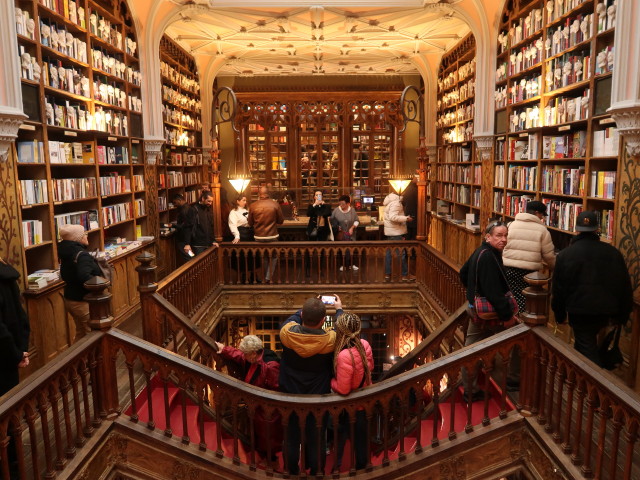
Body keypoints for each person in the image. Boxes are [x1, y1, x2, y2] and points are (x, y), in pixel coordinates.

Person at [551, 211, 633, 367]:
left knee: (586, 349)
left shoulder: (566, 255)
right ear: (597, 230)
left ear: (577, 230)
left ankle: (596, 387)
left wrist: (559, 315)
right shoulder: (613, 253)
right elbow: (624, 286)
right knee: (584, 345)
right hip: (606, 310)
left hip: (579, 309)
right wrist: (622, 315)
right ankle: (578, 380)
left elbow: (559, 289)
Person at [279, 296, 343, 475]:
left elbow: (292, 318)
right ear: (323, 320)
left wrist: (309, 307)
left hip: (290, 396)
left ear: (302, 315)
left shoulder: (286, 334)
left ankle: (291, 471)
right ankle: (317, 472)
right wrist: (339, 310)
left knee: (291, 438)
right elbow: (342, 329)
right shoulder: (331, 340)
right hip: (317, 399)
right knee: (316, 440)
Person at [459, 220, 518, 402]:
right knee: (515, 340)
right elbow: (494, 292)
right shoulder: (488, 257)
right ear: (488, 236)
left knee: (471, 349)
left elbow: (463, 272)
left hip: (474, 308)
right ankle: (512, 381)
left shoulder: (483, 251)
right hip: (488, 314)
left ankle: (468, 386)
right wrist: (507, 316)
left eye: (505, 235)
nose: (503, 240)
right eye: (499, 236)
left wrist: (472, 295)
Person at [215, 335, 282, 459]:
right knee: (259, 435)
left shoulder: (270, 366)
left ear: (254, 353)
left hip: (267, 409)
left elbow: (276, 389)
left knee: (268, 437)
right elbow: (239, 356)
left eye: (246, 353)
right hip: (256, 406)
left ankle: (271, 459)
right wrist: (224, 349)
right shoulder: (252, 358)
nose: (243, 356)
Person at [331, 312, 373, 471]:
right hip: (365, 402)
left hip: (348, 408)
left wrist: (331, 381)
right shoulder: (365, 344)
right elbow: (371, 368)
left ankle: (337, 468)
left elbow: (343, 389)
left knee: (340, 439)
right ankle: (363, 471)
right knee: (361, 443)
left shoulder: (343, 355)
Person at [502, 200, 556, 312]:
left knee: (510, 296)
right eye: (542, 214)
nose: (542, 218)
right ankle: (520, 324)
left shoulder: (511, 225)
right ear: (537, 213)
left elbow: (503, 244)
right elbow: (549, 256)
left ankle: (509, 320)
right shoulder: (543, 230)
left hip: (508, 268)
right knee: (526, 301)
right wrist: (555, 267)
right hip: (530, 273)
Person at [58, 224, 103, 341]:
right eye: (84, 234)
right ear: (78, 238)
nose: (86, 236)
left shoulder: (66, 252)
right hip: (83, 301)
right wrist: (100, 284)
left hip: (71, 298)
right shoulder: (82, 255)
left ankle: (76, 359)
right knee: (93, 336)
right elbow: (85, 277)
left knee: (81, 333)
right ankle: (95, 359)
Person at [0, 257, 30, 396]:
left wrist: (16, 354)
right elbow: (20, 315)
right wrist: (19, 351)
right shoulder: (6, 273)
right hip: (9, 352)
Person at [248, 186, 284, 283]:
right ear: (269, 193)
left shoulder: (253, 205)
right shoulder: (275, 204)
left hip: (258, 236)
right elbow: (281, 221)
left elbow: (250, 223)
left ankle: (264, 277)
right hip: (272, 236)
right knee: (274, 256)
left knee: (263, 256)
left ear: (259, 194)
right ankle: (268, 277)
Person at [383, 191, 414, 282]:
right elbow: (393, 217)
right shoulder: (396, 203)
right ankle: (405, 275)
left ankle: (387, 274)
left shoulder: (390, 201)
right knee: (401, 254)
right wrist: (406, 218)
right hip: (396, 232)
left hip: (391, 232)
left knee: (389, 254)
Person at [184, 190, 218, 257]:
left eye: (211, 201)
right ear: (203, 198)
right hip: (198, 244)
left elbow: (211, 226)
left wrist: (213, 240)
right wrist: (187, 243)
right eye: (208, 201)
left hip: (208, 243)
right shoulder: (194, 209)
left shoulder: (208, 209)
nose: (210, 203)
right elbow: (188, 227)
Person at [228, 195, 254, 283]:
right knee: (243, 256)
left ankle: (253, 276)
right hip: (242, 234)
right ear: (237, 201)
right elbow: (232, 225)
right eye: (243, 200)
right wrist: (237, 236)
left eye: (246, 200)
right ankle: (243, 276)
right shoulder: (233, 212)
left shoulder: (247, 210)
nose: (245, 202)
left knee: (252, 256)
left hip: (250, 234)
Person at [331, 195, 360, 271]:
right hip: (341, 234)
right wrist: (336, 227)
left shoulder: (352, 211)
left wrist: (352, 227)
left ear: (348, 204)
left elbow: (357, 221)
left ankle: (351, 264)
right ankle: (342, 264)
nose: (341, 205)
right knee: (341, 249)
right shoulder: (336, 211)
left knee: (351, 249)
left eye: (343, 204)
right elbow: (331, 220)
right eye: (340, 203)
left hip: (351, 234)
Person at [172, 193, 192, 265]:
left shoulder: (184, 210)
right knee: (188, 256)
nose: (174, 205)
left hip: (184, 238)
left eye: (175, 202)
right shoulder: (187, 207)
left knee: (188, 257)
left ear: (179, 200)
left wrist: (173, 225)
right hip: (186, 238)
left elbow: (186, 226)